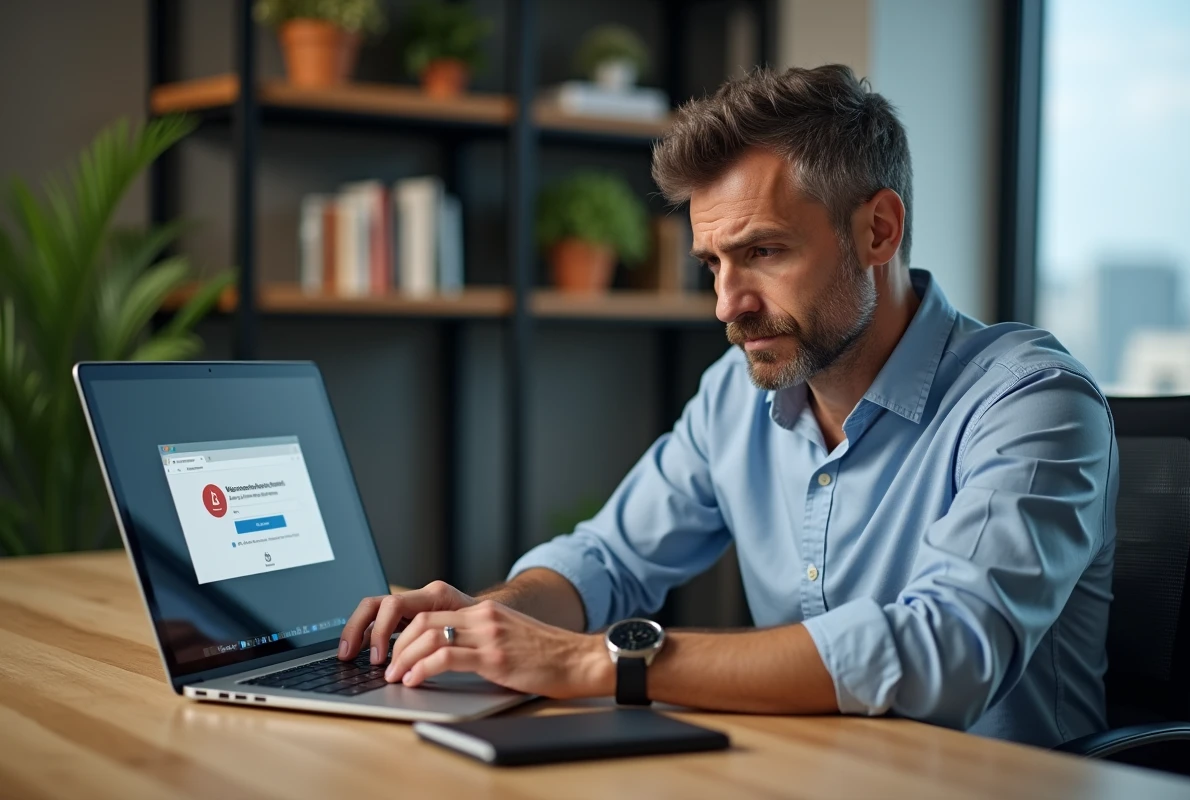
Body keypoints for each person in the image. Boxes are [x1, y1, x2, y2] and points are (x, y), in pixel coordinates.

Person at [337, 65, 1117, 747]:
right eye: (713, 263)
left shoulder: (1031, 401)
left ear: (878, 231)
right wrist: (481, 622)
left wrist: (594, 661)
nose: (726, 304)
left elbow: (946, 650)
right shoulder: (736, 394)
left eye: (763, 252)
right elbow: (609, 560)